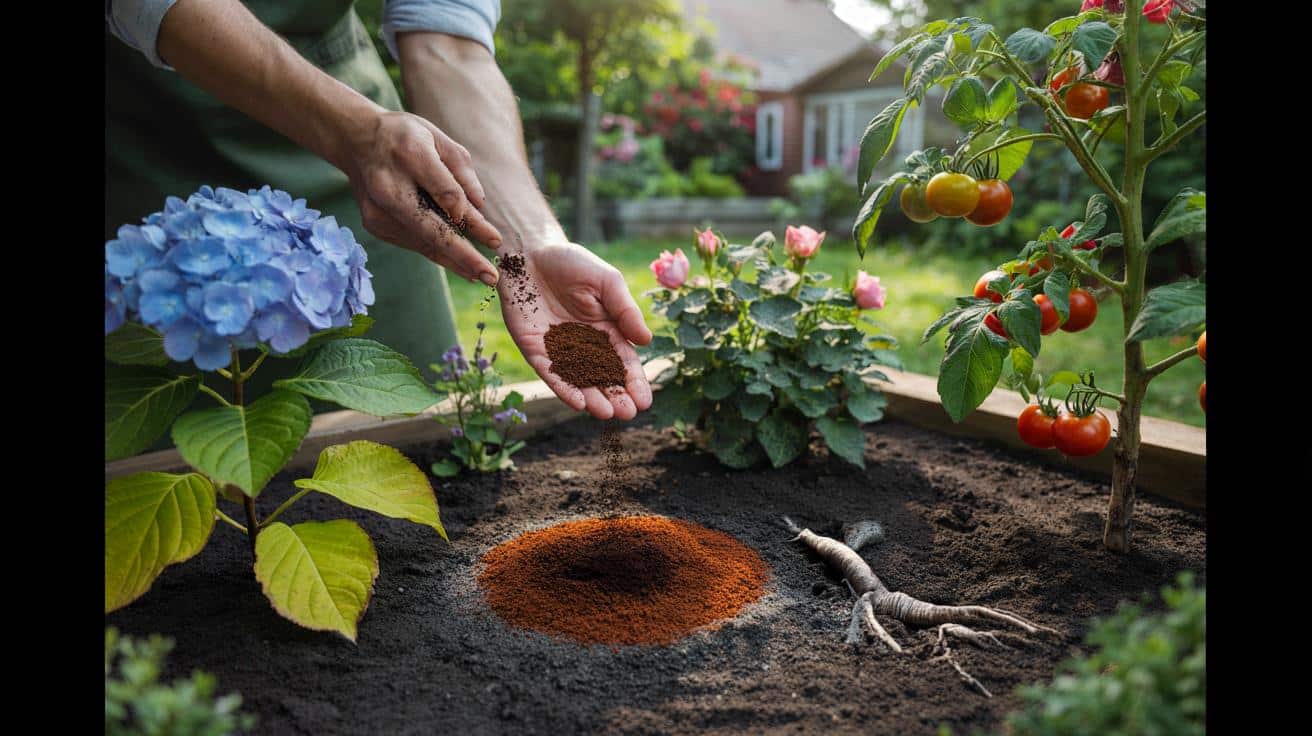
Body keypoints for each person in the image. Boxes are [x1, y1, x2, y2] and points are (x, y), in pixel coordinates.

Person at [106, 0, 653, 420]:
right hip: (153, 155)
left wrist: (530, 243)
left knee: (411, 437)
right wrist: (356, 135)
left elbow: (449, 45)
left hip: (363, 151)